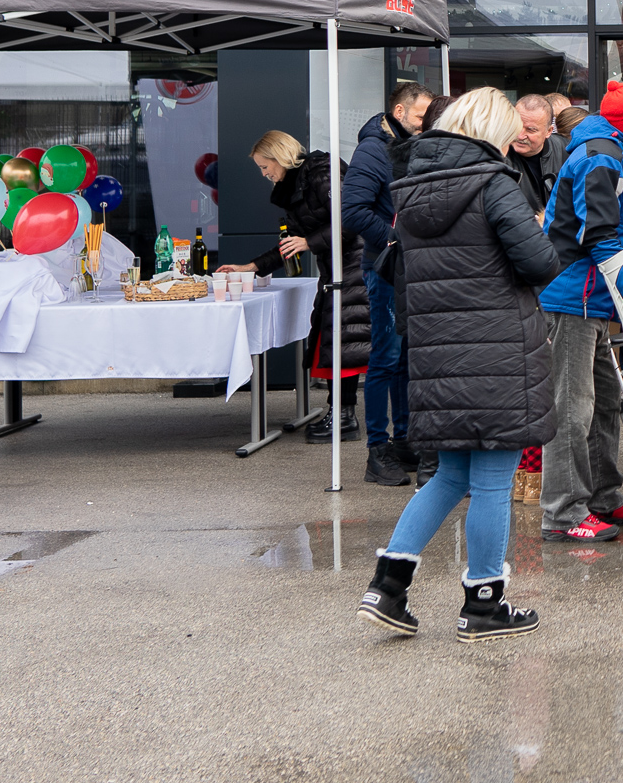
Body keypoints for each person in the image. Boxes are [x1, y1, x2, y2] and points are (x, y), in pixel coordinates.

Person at [356, 88, 558, 642]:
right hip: (496, 352)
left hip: (437, 353)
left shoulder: (411, 188)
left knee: (448, 476)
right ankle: (484, 604)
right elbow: (539, 262)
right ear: (492, 130)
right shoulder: (495, 184)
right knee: (493, 480)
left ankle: (387, 586)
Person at [537, 80, 623, 542]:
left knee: (607, 400)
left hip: (590, 297)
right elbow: (599, 237)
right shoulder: (601, 156)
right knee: (572, 409)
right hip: (573, 298)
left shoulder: (613, 153)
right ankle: (562, 513)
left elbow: (618, 237)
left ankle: (602, 498)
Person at [217, 130, 370, 444]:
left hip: (356, 264)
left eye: (264, 166)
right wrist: (250, 267)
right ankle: (341, 415)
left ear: (280, 156)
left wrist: (309, 242)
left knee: (342, 343)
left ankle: (343, 417)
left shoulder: (322, 172)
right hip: (338, 268)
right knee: (336, 343)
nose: (264, 174)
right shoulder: (296, 185)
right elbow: (290, 245)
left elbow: (350, 219)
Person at [343, 81, 433, 485]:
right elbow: (353, 212)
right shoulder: (372, 150)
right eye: (420, 115)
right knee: (385, 356)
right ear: (399, 112)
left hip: (410, 266)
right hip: (384, 268)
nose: (425, 122)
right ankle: (377, 449)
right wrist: (394, 240)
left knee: (405, 356)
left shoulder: (410, 146)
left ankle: (403, 439)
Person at [508, 94, 562, 221]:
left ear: (549, 131)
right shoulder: (497, 156)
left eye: (530, 130)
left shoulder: (566, 152)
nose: (521, 136)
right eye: (517, 126)